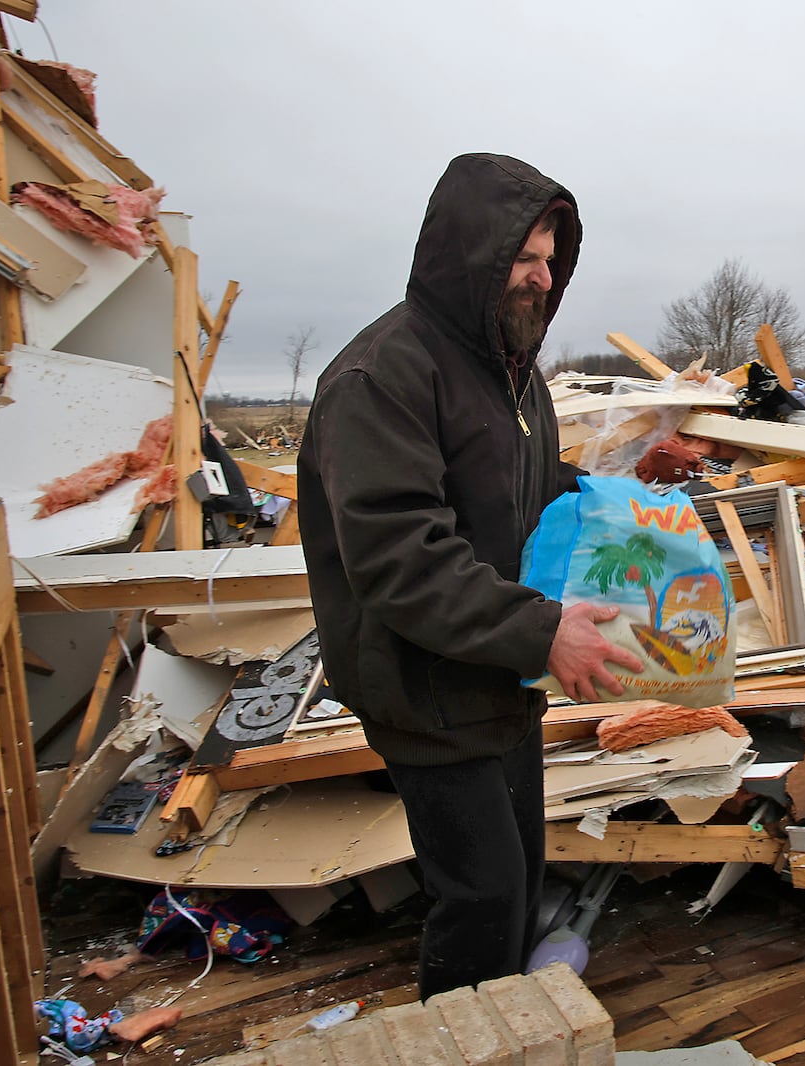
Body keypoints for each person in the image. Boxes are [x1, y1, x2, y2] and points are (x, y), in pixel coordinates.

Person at [297, 153, 641, 997]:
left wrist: (606, 502)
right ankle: (459, 1033)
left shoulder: (512, 374)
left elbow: (517, 495)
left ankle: (505, 1027)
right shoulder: (383, 375)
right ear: (472, 254)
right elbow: (400, 554)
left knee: (521, 875)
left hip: (495, 674)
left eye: (552, 261)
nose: (542, 277)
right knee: (481, 896)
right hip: (422, 685)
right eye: (525, 257)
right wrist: (540, 629)